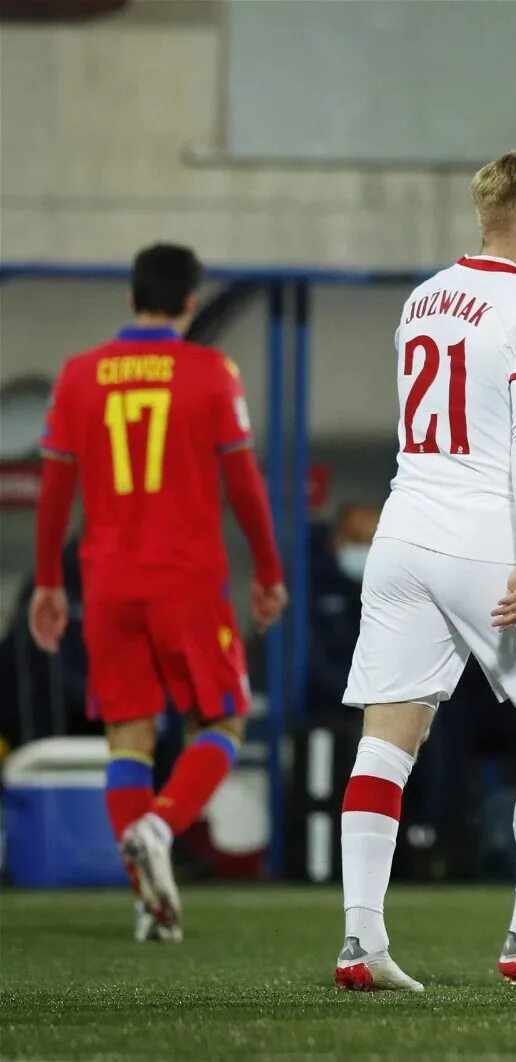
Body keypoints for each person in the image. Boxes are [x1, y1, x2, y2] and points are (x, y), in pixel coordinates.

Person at [334, 149, 516, 992]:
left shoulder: (423, 298)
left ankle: (360, 941)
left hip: (403, 531)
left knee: (386, 738)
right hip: (484, 534)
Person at [30, 242, 286, 942]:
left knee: (129, 740)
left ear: (130, 298)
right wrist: (267, 571)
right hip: (186, 579)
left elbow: (55, 489)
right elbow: (243, 485)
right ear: (190, 302)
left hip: (108, 580)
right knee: (224, 722)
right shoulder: (209, 372)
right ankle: (158, 828)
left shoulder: (81, 376)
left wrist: (50, 581)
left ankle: (150, 904)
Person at [305, 503, 380, 715]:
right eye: (357, 542)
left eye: (372, 544)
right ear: (337, 540)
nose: (365, 552)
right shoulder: (311, 582)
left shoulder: (387, 590)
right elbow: (311, 659)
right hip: (323, 706)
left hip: (377, 699)